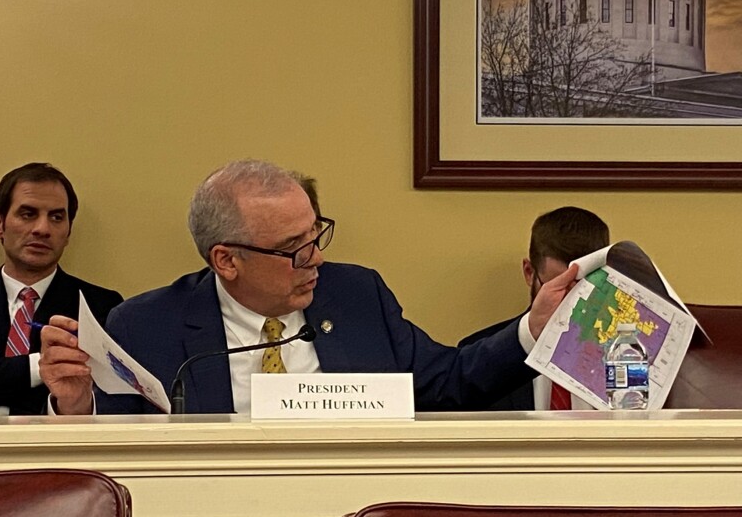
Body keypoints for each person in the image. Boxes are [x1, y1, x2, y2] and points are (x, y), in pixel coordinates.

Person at [40, 159, 577, 415]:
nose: (316, 257)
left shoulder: (357, 296)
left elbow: (450, 381)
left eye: (316, 234)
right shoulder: (144, 325)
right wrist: (75, 405)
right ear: (226, 260)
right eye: (294, 247)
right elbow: (114, 456)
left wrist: (533, 327)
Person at [0, 162, 123, 415]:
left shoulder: (102, 306)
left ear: (68, 233)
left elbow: (109, 399)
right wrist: (37, 368)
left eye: (56, 217)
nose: (42, 229)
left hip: (58, 449)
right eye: (28, 214)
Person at [458, 206, 610, 410]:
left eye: (583, 287)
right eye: (560, 286)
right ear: (529, 273)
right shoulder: (476, 362)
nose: (573, 302)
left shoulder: (631, 355)